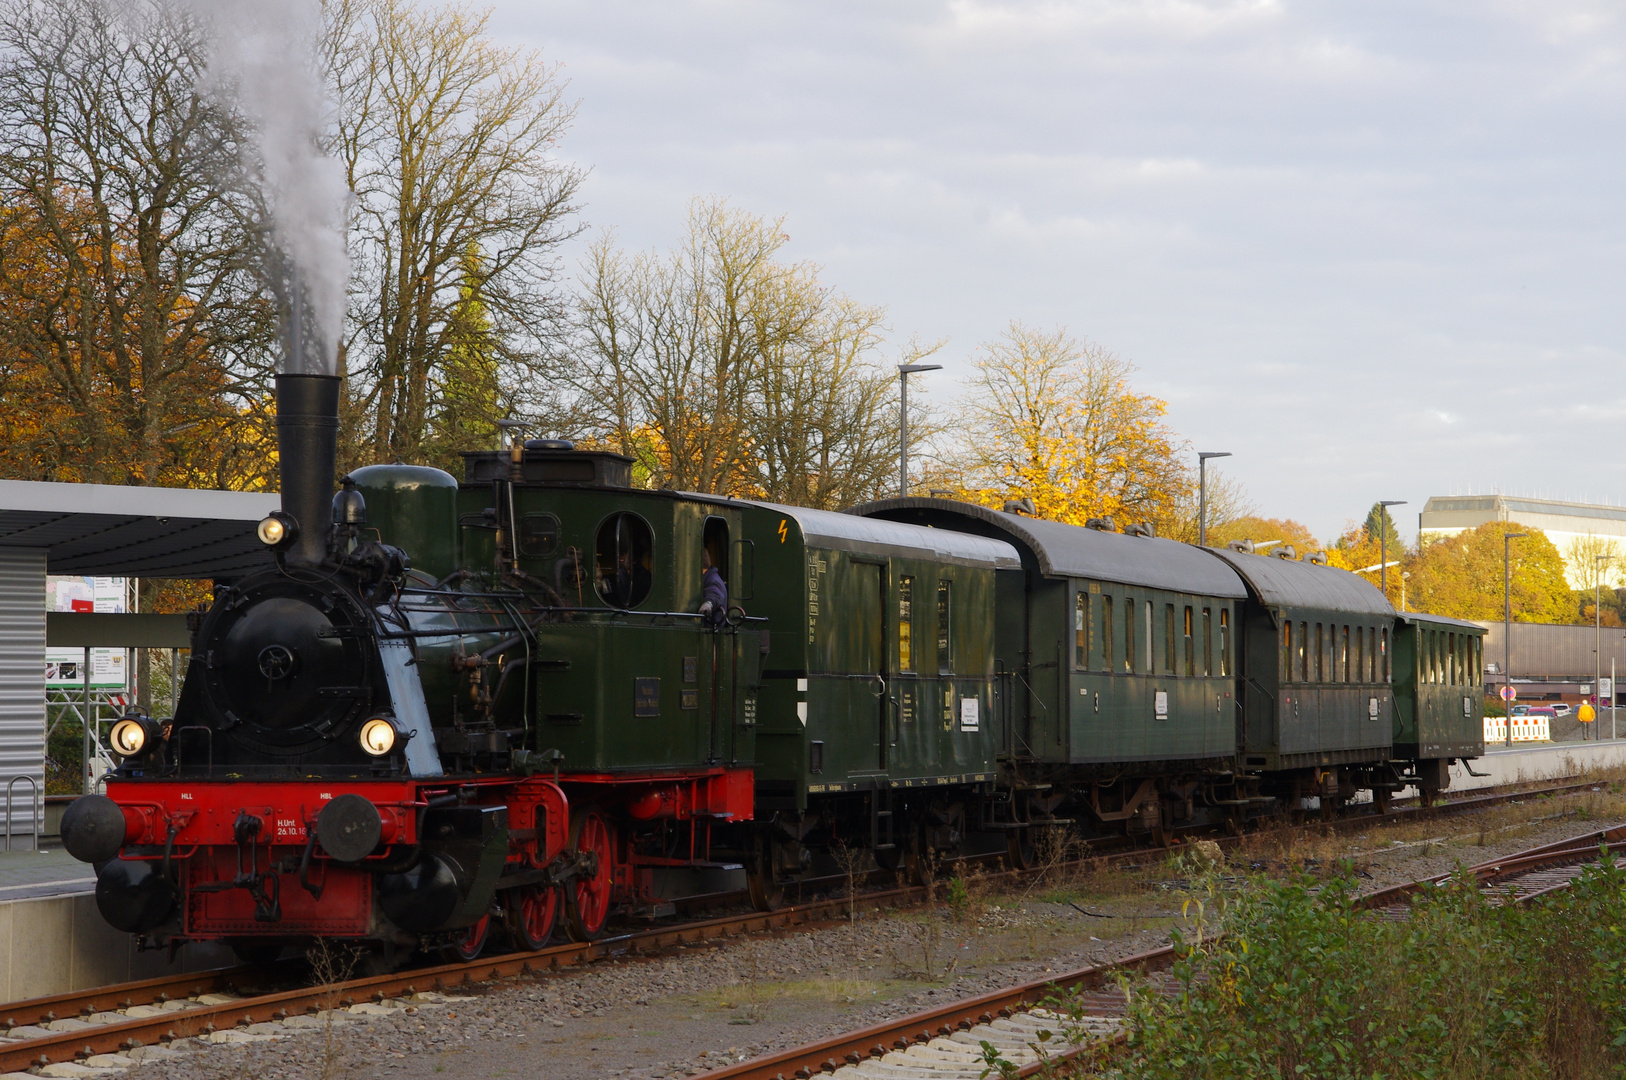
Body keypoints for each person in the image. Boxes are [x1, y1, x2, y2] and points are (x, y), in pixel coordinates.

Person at [698, 548, 727, 626]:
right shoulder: (708, 576)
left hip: (711, 628)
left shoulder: (712, 579)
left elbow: (715, 593)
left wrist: (708, 603)